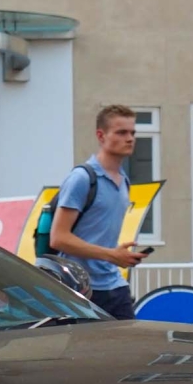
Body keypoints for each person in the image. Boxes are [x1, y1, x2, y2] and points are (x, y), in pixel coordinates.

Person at [48, 104, 147, 319]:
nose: (129, 138)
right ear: (100, 136)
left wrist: (120, 254)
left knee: (129, 349)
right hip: (79, 287)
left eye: (132, 132)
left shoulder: (123, 181)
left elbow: (100, 235)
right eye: (121, 132)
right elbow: (59, 238)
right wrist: (112, 255)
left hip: (115, 285)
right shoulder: (82, 179)